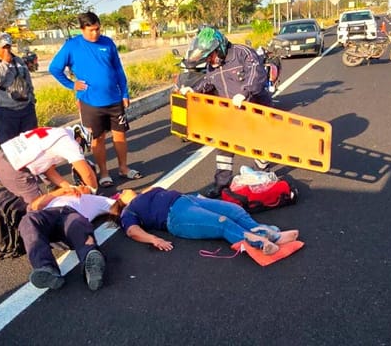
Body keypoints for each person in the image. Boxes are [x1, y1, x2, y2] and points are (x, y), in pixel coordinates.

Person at [49, 11, 142, 188]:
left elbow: (118, 70)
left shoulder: (108, 43)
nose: (96, 33)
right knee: (97, 139)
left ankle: (123, 168)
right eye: (91, 30)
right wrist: (71, 84)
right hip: (90, 102)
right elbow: (55, 68)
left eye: (98, 29)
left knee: (120, 135)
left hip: (114, 99)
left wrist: (124, 93)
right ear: (82, 29)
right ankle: (104, 173)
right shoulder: (72, 46)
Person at [180, 26, 273, 198]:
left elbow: (257, 75)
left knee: (257, 144)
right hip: (231, 112)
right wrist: (194, 91)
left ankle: (263, 179)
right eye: (207, 57)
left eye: (211, 55)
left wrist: (244, 93)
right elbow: (209, 82)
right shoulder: (212, 66)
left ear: (220, 48)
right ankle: (221, 185)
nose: (210, 60)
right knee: (224, 147)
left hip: (255, 107)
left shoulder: (242, 53)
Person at [107, 186, 299, 255]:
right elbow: (132, 231)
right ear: (121, 203)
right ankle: (260, 243)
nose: (125, 190)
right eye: (121, 193)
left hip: (189, 200)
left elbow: (153, 188)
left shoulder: (144, 195)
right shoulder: (128, 211)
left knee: (234, 210)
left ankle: (270, 234)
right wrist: (154, 240)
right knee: (222, 222)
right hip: (175, 216)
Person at [19, 185, 113, 290]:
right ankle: (46, 268)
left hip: (71, 218)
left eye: (85, 185)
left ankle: (92, 263)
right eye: (79, 184)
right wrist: (61, 191)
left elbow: (120, 203)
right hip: (48, 215)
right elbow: (33, 207)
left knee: (78, 223)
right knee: (28, 220)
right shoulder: (55, 197)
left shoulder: (94, 199)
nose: (80, 186)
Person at [0, 126, 98, 204]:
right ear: (79, 139)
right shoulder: (70, 143)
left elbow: (49, 171)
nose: (80, 149)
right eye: (82, 146)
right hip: (15, 168)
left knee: (31, 203)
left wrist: (69, 187)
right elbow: (86, 172)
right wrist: (92, 191)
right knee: (37, 207)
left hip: (2, 157)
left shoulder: (56, 132)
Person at [0, 32, 37, 144]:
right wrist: (5, 63)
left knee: (31, 143)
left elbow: (28, 81)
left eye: (8, 47)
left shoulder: (18, 61)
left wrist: (32, 99)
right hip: (6, 112)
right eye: (3, 47)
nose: (7, 51)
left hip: (26, 109)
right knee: (9, 146)